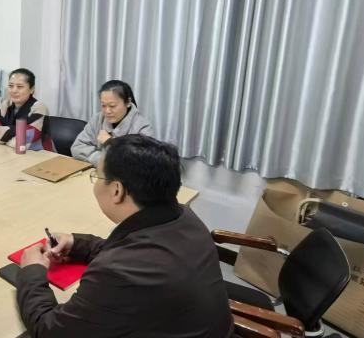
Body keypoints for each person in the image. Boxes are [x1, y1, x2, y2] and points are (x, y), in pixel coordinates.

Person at [17, 135, 233, 337]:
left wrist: (31, 271)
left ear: (117, 191)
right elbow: (134, 253)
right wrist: (77, 244)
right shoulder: (182, 216)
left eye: (97, 176)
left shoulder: (118, 272)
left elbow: (49, 330)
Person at [71, 79, 153, 165]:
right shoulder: (98, 119)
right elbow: (77, 147)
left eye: (112, 106)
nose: (107, 111)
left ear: (128, 102)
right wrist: (102, 161)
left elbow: (140, 162)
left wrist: (110, 142)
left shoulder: (142, 127)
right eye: (103, 105)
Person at [0, 68, 53, 151]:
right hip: (8, 152)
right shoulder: (6, 104)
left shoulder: (39, 108)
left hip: (40, 155)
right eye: (11, 86)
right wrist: (15, 133)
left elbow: (20, 142)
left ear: (32, 89)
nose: (14, 90)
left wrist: (0, 136)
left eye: (19, 87)